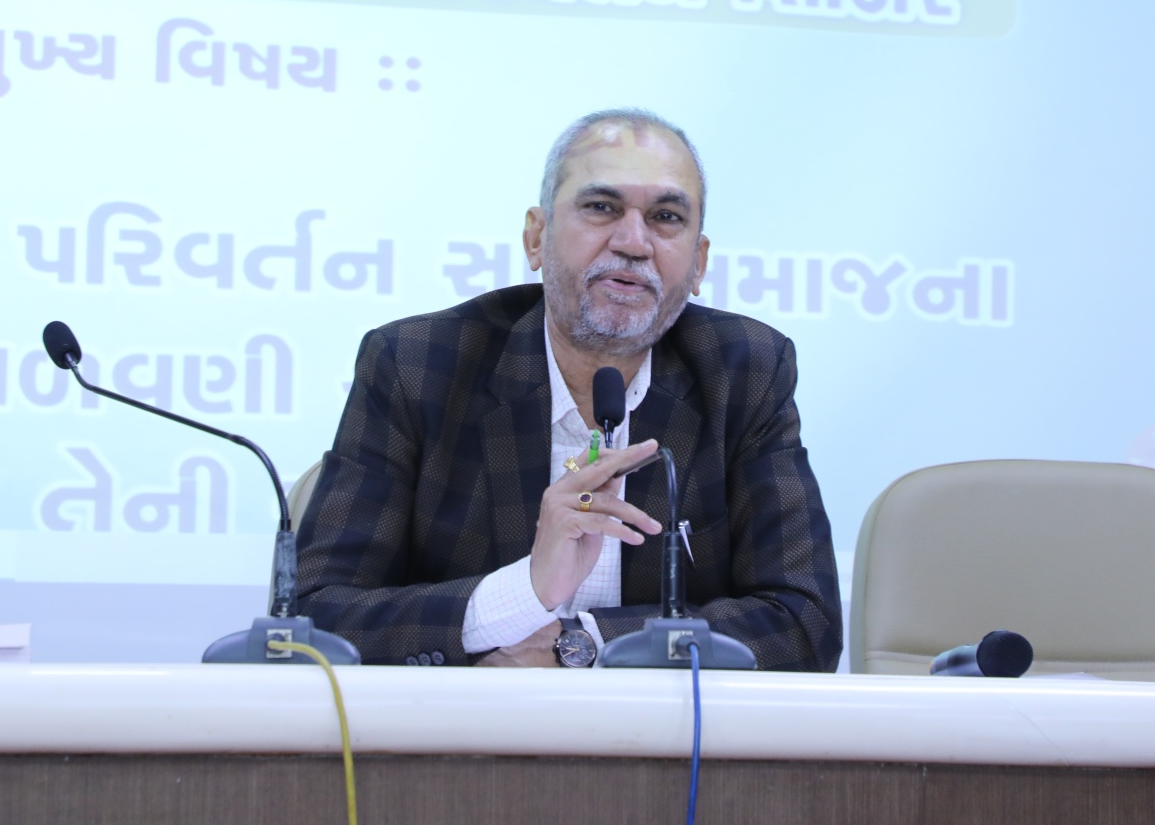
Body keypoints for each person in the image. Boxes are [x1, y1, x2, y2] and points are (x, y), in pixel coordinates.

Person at [297, 109, 841, 669]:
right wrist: (523, 593)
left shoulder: (744, 370)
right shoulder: (418, 364)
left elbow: (805, 622)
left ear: (698, 263)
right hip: (468, 718)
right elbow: (315, 616)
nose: (634, 242)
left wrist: (579, 644)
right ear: (537, 237)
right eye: (602, 207)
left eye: (666, 217)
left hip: (664, 722)